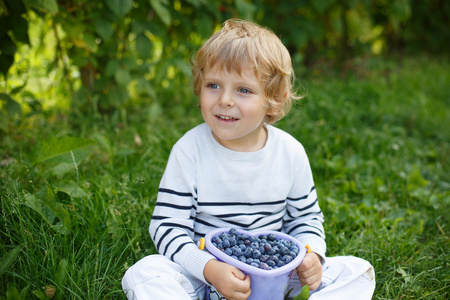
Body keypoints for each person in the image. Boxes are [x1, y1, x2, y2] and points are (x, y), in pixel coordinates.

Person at [122, 19, 375, 300]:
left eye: (243, 90)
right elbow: (168, 224)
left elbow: (305, 218)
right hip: (207, 278)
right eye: (214, 85)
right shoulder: (189, 151)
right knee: (144, 273)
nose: (225, 100)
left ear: (275, 99)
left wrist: (311, 253)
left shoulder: (290, 153)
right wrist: (208, 269)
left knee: (357, 270)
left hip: (277, 277)